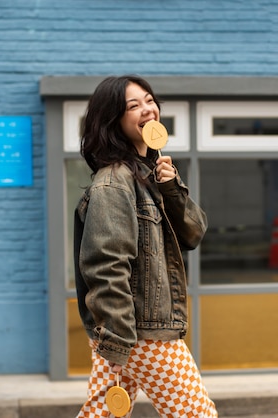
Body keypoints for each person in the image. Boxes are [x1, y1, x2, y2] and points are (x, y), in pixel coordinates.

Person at [73, 75, 217, 418]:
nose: (147, 109)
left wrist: (172, 188)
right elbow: (106, 265)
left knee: (103, 414)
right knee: (197, 414)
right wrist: (120, 340)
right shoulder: (114, 183)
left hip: (125, 329)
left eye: (149, 101)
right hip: (140, 332)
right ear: (114, 121)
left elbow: (193, 234)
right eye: (133, 105)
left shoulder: (152, 177)